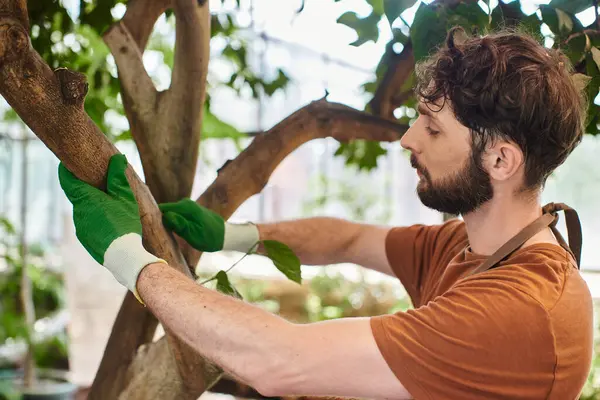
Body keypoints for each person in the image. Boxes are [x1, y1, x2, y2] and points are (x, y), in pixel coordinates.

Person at [59, 26, 593, 399]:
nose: (406, 139)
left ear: (501, 160)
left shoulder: (517, 314)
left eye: (432, 128)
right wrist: (234, 234)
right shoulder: (475, 246)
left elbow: (277, 360)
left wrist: (126, 255)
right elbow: (348, 239)